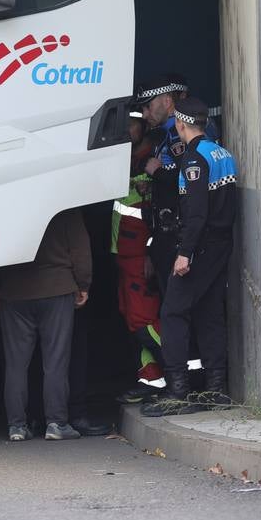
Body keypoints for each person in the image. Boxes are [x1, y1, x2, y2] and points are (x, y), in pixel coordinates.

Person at [141, 97, 237, 417]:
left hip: (201, 246)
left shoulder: (194, 160)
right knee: (209, 312)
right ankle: (216, 388)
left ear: (181, 125)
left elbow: (196, 215)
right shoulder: (222, 153)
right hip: (221, 245)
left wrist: (184, 254)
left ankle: (177, 390)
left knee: (173, 313)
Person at [0, 208, 92, 441]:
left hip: (14, 292)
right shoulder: (66, 204)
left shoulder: (5, 199)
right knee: (55, 361)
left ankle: (17, 426)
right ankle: (56, 423)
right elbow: (80, 249)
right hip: (57, 289)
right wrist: (83, 284)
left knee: (15, 364)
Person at [134, 73, 217, 297]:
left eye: (148, 106)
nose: (144, 114)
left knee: (177, 308)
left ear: (167, 101)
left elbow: (191, 178)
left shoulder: (177, 133)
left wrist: (157, 172)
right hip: (168, 234)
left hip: (178, 237)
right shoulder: (164, 134)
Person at [110, 109, 166, 404]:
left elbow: (158, 211)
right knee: (133, 320)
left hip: (140, 254)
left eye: (133, 124)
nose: (128, 130)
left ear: (143, 126)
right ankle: (152, 379)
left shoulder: (150, 158)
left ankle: (178, 373)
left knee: (144, 321)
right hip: (124, 253)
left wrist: (151, 253)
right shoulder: (124, 158)